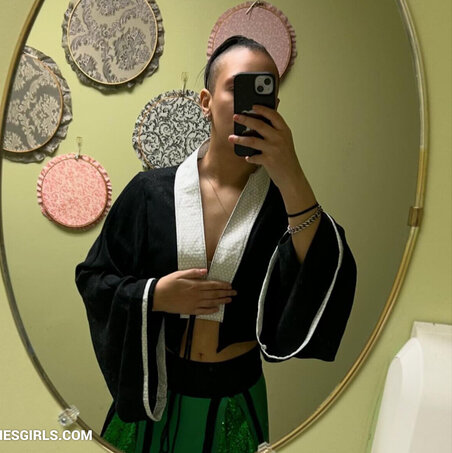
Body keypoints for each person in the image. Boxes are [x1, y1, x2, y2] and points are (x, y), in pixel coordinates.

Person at [75, 35, 357, 453]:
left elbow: (324, 274)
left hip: (235, 400)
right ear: (206, 101)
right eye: (238, 87)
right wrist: (155, 296)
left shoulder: (285, 204)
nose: (253, 104)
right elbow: (93, 278)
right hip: (157, 394)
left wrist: (290, 172)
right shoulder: (149, 193)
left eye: (265, 91)